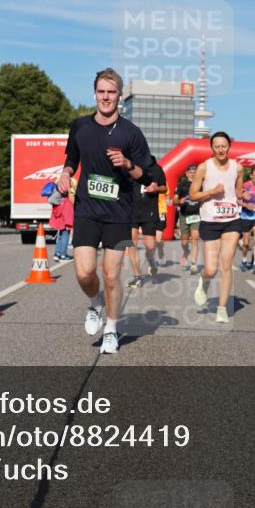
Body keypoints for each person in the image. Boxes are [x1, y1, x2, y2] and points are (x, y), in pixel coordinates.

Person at [57, 68, 152, 355]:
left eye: (111, 92)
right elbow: (71, 159)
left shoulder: (131, 133)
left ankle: (111, 329)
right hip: (86, 208)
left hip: (119, 213)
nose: (106, 97)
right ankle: (96, 303)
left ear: (119, 96)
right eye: (101, 91)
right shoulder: (80, 126)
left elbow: (144, 175)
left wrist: (126, 164)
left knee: (111, 276)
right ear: (95, 93)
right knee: (85, 273)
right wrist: (65, 173)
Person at [190, 132, 244, 323]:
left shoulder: (238, 168)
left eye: (224, 146)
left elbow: (237, 191)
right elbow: (193, 194)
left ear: (229, 146)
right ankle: (204, 281)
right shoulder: (204, 167)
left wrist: (242, 195)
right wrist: (212, 191)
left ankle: (222, 308)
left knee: (226, 264)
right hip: (210, 221)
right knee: (211, 269)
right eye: (217, 146)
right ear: (212, 148)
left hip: (232, 220)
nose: (221, 149)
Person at [126, 158, 165, 289]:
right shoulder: (129, 165)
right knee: (131, 243)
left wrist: (156, 188)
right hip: (131, 210)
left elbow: (164, 187)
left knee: (150, 246)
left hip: (149, 211)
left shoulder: (156, 168)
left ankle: (152, 262)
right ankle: (137, 276)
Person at [174, 164, 201, 274]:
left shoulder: (201, 185)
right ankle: (186, 251)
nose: (193, 174)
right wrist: (179, 202)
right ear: (187, 173)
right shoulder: (182, 185)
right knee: (184, 241)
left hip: (196, 215)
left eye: (195, 172)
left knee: (195, 238)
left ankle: (193, 264)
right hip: (184, 215)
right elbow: (174, 199)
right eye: (191, 172)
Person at [49, 185, 74, 261]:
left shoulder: (58, 201)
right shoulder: (66, 202)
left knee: (59, 237)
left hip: (59, 222)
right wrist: (70, 223)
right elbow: (68, 214)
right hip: (65, 222)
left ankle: (57, 253)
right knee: (65, 236)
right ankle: (63, 254)